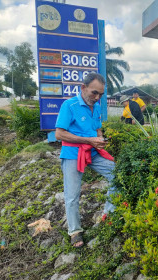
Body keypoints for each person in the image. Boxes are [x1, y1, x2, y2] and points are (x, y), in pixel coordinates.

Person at [55, 72, 115, 248]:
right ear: (83, 88)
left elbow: (97, 129)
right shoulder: (70, 105)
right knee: (72, 194)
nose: (97, 98)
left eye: (101, 95)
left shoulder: (96, 107)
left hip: (93, 152)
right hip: (73, 153)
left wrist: (99, 139)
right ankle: (75, 231)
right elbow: (59, 133)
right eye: (94, 93)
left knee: (117, 174)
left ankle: (108, 214)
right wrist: (89, 140)